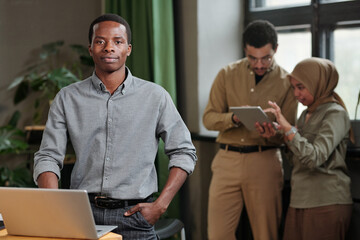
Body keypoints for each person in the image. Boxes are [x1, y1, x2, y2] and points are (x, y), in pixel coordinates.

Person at [33, 13, 197, 240]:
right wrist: (55, 206)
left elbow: (184, 151)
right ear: (90, 49)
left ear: (128, 48)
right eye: (100, 41)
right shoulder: (67, 98)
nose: (109, 48)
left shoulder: (155, 96)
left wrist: (161, 205)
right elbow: (48, 156)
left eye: (117, 41)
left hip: (136, 218)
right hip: (82, 215)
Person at [203, 20, 297, 240]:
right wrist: (234, 118)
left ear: (276, 49)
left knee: (266, 234)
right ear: (245, 50)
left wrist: (274, 130)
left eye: (266, 58)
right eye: (253, 58)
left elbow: (291, 131)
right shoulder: (226, 74)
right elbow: (208, 118)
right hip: (227, 161)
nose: (259, 64)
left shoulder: (287, 83)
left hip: (264, 161)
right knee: (217, 234)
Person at [257, 57, 353, 240]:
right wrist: (283, 136)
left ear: (318, 83)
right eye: (293, 88)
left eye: (301, 87)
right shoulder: (305, 115)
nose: (296, 94)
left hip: (327, 202)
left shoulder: (335, 113)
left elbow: (314, 158)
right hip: (300, 200)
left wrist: (289, 130)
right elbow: (298, 160)